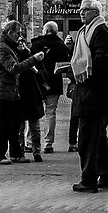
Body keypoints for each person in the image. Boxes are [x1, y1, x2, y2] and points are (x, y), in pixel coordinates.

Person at [69, 0, 108, 193]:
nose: (81, 13)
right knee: (98, 139)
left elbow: (102, 60)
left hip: (94, 95)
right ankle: (106, 176)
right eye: (80, 10)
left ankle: (88, 180)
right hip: (92, 94)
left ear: (95, 12)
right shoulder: (86, 31)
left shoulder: (99, 31)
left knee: (88, 140)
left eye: (85, 10)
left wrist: (82, 71)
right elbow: (85, 58)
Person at [0, 21, 29, 161]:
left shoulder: (10, 46)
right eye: (18, 33)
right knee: (5, 122)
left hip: (10, 90)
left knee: (15, 121)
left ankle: (16, 153)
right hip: (1, 89)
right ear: (10, 33)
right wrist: (33, 60)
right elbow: (13, 68)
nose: (20, 36)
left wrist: (24, 51)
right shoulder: (1, 48)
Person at [31, 22, 70, 152]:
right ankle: (48, 143)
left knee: (33, 112)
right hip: (54, 82)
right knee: (51, 112)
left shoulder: (36, 44)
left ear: (46, 30)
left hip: (38, 81)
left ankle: (29, 142)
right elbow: (66, 62)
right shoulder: (60, 45)